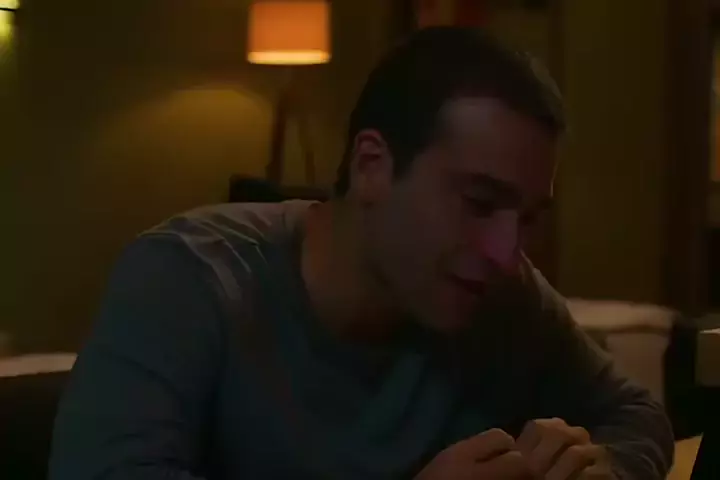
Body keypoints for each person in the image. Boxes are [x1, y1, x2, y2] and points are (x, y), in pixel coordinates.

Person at [49, 27, 674, 480]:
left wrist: (602, 467)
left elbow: (636, 413)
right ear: (371, 165)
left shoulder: (505, 297)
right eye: (480, 203)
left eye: (528, 218)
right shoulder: (187, 279)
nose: (507, 254)